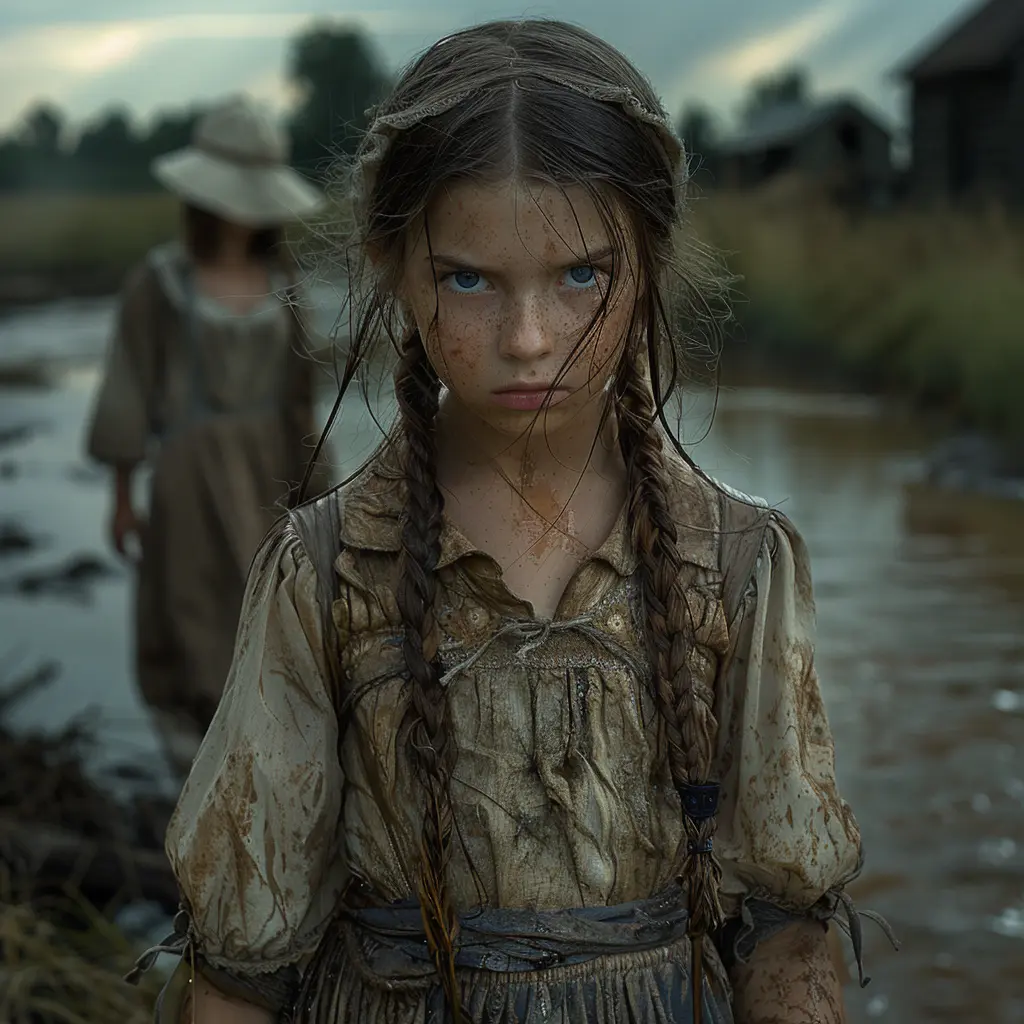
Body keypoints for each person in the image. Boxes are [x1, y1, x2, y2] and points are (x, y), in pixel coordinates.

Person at [130, 21, 894, 1023]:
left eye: (582, 275)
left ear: (650, 258)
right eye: (468, 280)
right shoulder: (323, 575)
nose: (529, 340)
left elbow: (790, 923)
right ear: (393, 267)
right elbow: (238, 972)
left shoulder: (736, 561)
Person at [86, 95, 328, 778]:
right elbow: (128, 387)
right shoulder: (160, 283)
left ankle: (269, 780)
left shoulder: (285, 282)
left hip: (271, 475)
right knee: (194, 620)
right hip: (189, 483)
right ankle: (199, 782)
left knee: (276, 622)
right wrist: (122, 496)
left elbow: (302, 398)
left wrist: (323, 494)